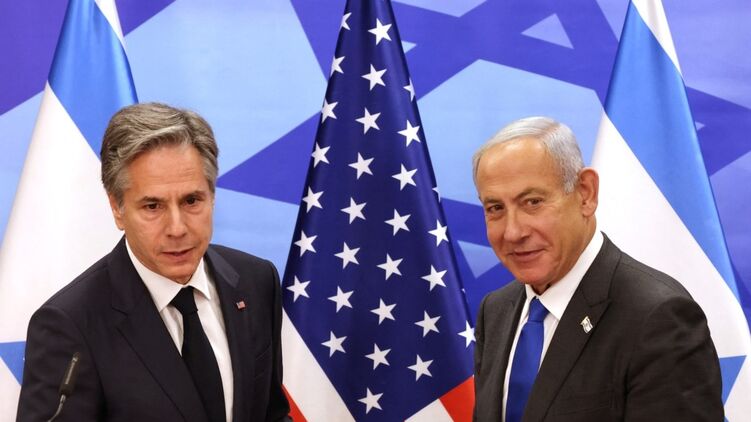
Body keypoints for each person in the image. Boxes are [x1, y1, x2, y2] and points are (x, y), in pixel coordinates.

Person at [17, 103, 291, 421]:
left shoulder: (255, 281)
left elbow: (271, 414)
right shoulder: (70, 325)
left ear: (213, 196)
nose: (177, 228)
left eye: (191, 200)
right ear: (117, 209)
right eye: (152, 206)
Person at [471, 116, 722, 421]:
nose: (513, 232)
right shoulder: (495, 310)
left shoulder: (657, 316)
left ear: (586, 193)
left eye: (533, 202)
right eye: (495, 208)